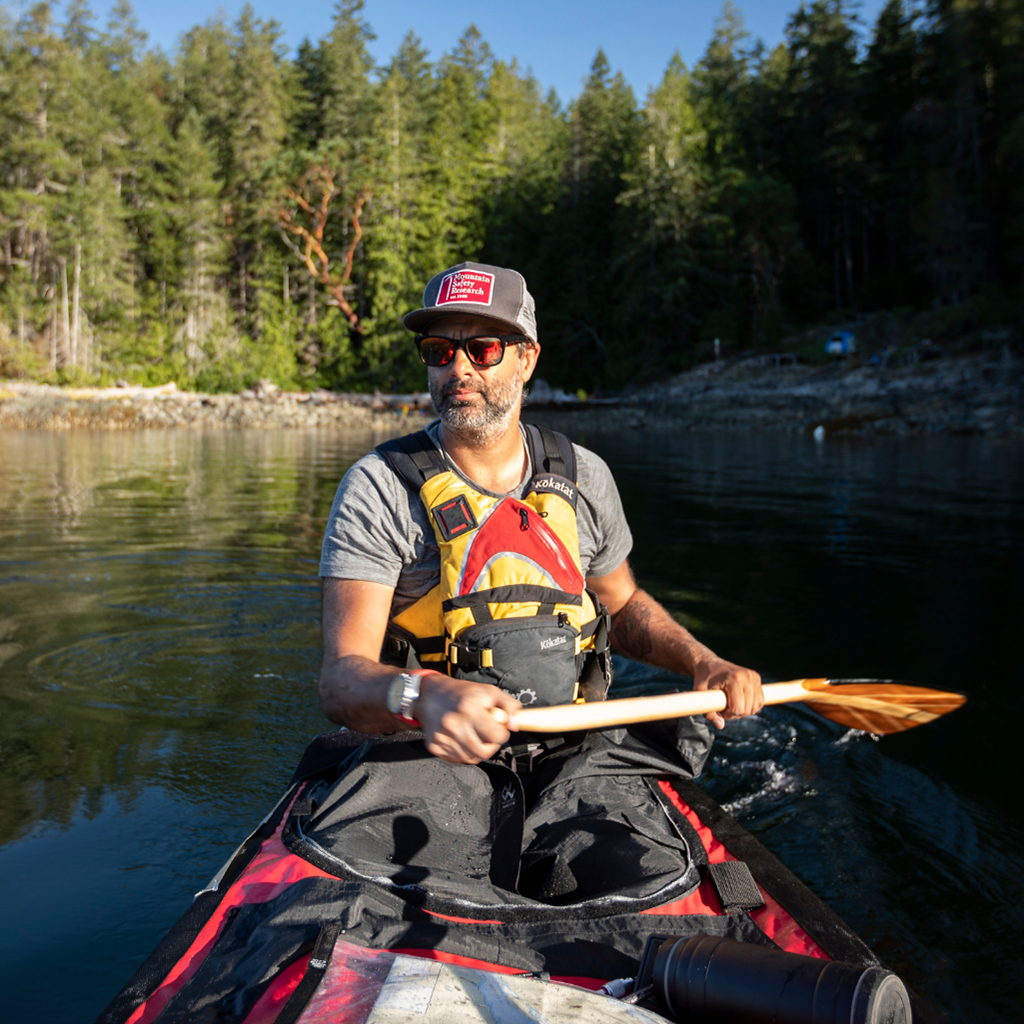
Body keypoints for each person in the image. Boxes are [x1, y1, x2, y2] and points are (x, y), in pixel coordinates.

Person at [318, 262, 763, 767]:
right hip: (424, 759)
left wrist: (703, 662)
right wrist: (424, 695)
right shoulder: (378, 486)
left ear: (527, 359)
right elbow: (340, 682)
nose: (458, 369)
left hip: (569, 754)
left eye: (483, 349)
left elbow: (620, 606)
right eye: (439, 351)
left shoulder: (584, 476)